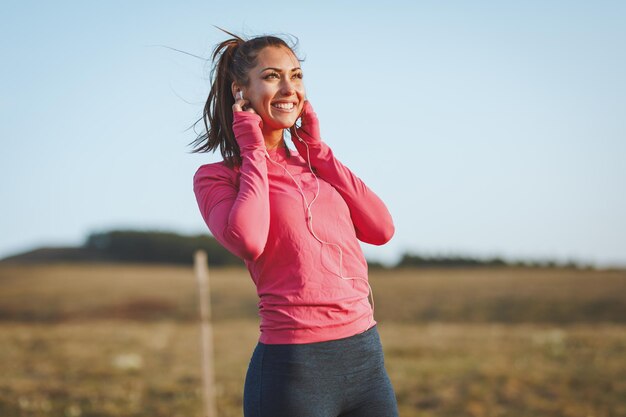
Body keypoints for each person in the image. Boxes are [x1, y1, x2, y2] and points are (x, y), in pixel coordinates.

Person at [191, 31, 399, 417]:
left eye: (297, 75)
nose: (290, 88)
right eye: (272, 76)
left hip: (365, 357)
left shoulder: (316, 165)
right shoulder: (218, 177)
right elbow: (248, 240)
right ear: (241, 92)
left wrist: (319, 151)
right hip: (294, 370)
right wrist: (253, 147)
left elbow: (381, 229)